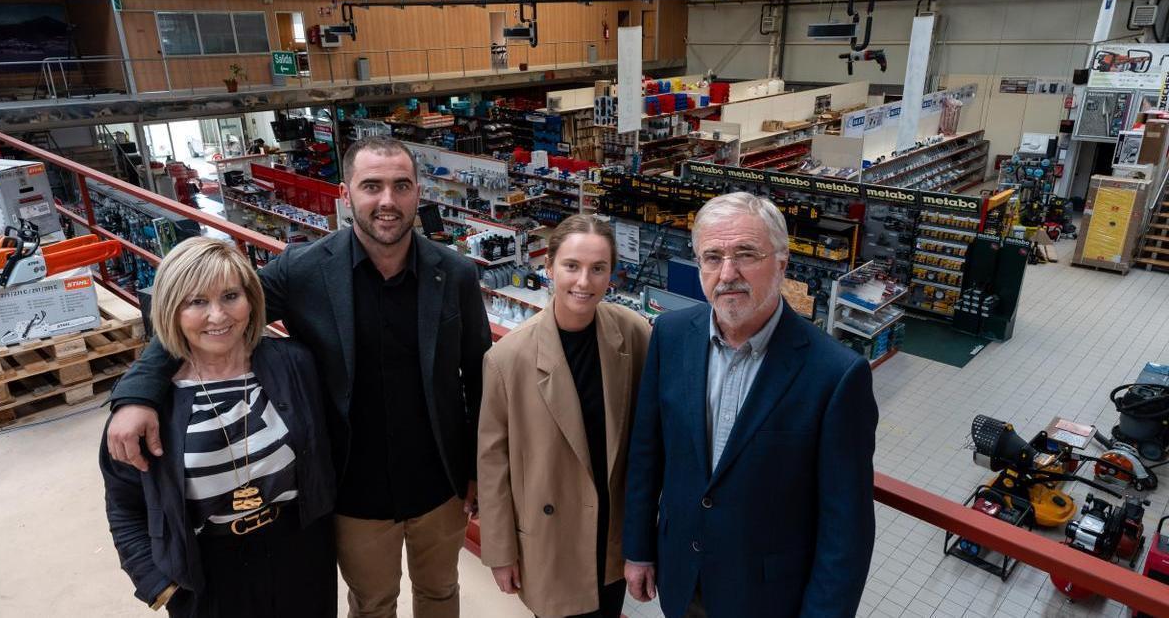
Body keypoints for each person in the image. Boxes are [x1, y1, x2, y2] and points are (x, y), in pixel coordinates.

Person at [104, 135, 492, 618]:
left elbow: (480, 376)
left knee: (440, 593)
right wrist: (138, 393)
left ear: (418, 193)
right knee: (373, 603)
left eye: (401, 186)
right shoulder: (304, 270)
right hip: (354, 491)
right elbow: (218, 311)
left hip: (441, 485)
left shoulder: (453, 273)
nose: (387, 201)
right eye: (371, 186)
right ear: (346, 195)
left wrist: (479, 468)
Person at [622, 192, 878, 618]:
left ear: (781, 263)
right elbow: (647, 454)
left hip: (768, 600)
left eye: (745, 254)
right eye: (713, 256)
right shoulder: (670, 336)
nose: (727, 273)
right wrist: (639, 549)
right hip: (682, 578)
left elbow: (846, 528)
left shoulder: (836, 375)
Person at [100, 237, 337, 616]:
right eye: (196, 302)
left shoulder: (294, 364)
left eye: (230, 296)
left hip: (301, 554)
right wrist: (158, 584)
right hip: (208, 572)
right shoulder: (150, 405)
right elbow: (125, 504)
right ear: (171, 310)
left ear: (251, 300)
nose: (218, 316)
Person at [477, 215, 651, 618]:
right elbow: (492, 463)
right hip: (550, 539)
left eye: (598, 269)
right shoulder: (508, 359)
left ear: (613, 274)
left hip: (610, 537)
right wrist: (500, 551)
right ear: (549, 266)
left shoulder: (633, 334)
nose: (584, 282)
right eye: (572, 266)